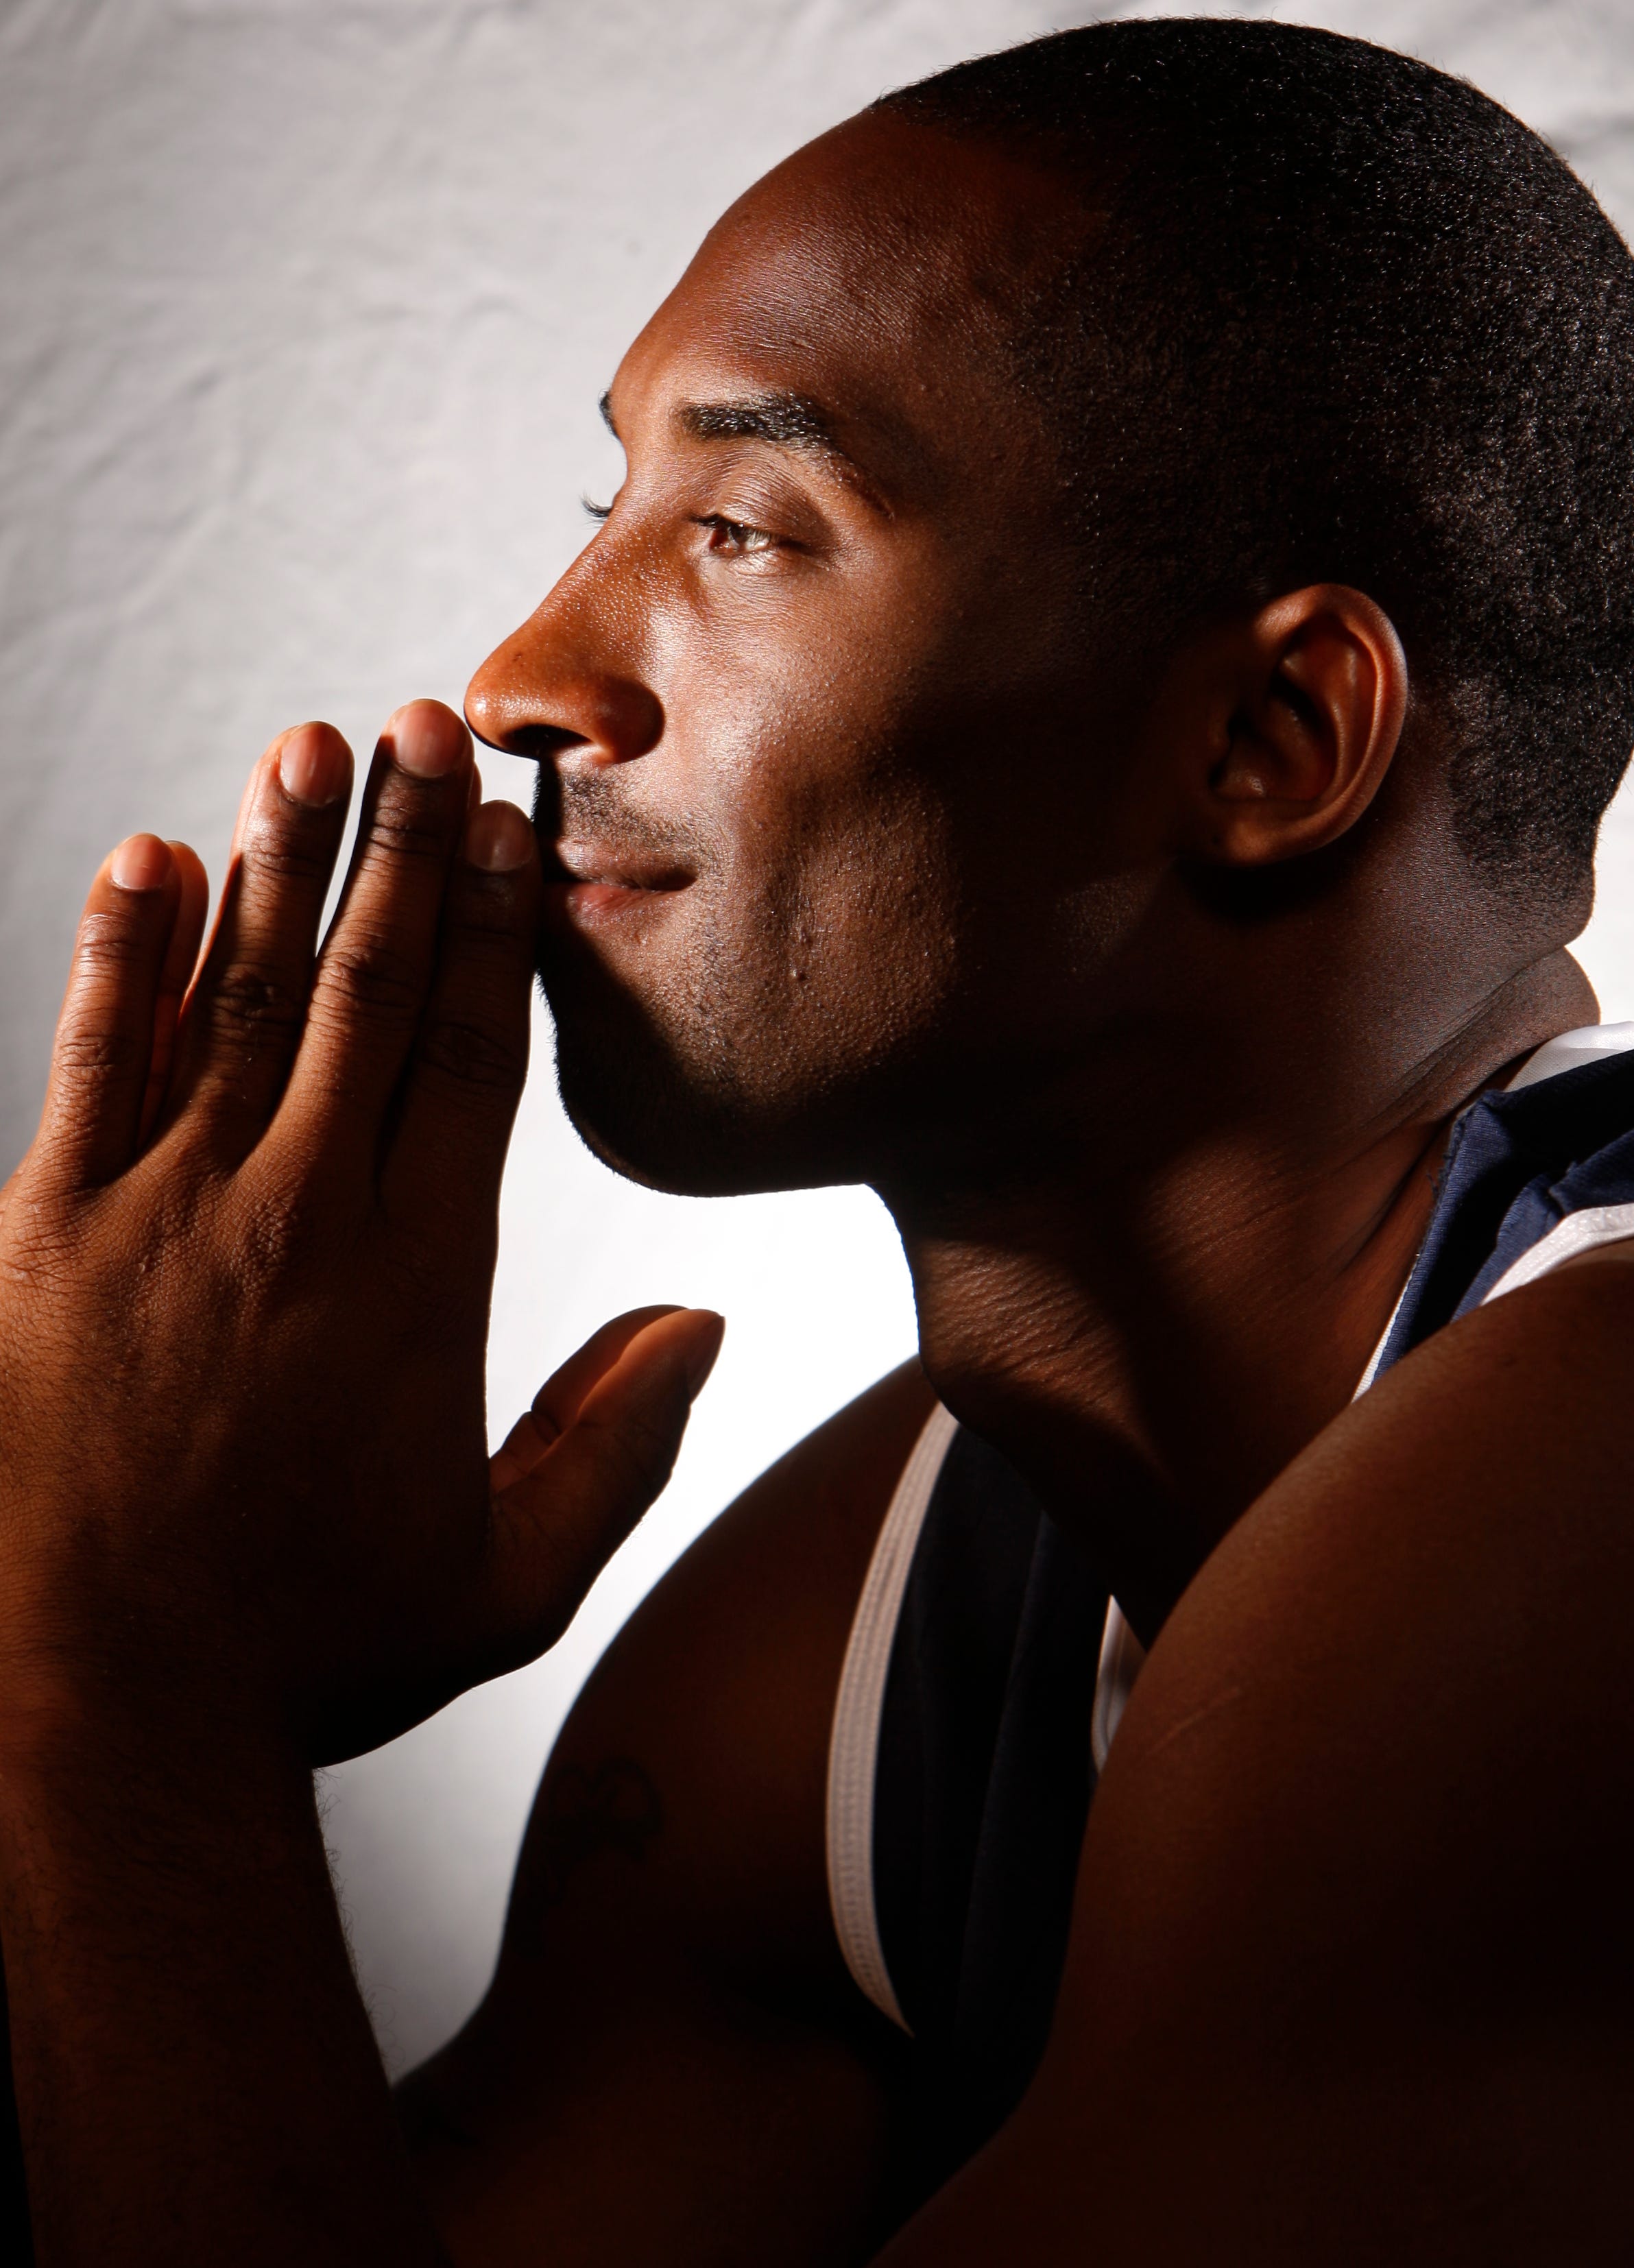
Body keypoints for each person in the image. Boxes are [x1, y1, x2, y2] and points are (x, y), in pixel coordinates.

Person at [1, 15, 1632, 2261]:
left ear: (1272, 739)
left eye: (748, 527)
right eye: (612, 512)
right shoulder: (860, 1643)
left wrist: (120, 1668)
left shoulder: (1579, 1515)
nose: (524, 675)